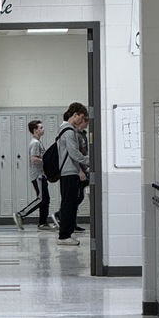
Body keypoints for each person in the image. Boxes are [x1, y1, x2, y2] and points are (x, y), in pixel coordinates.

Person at [56, 101, 90, 247]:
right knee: (69, 205)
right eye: (80, 117)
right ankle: (65, 235)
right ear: (74, 114)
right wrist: (89, 160)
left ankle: (66, 234)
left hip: (68, 172)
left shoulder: (63, 128)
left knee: (68, 203)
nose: (81, 121)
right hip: (69, 172)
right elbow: (74, 153)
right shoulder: (69, 131)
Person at [13, 119, 53, 230]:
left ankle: (42, 223)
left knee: (46, 199)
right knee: (41, 199)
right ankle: (21, 214)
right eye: (41, 128)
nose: (43, 129)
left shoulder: (38, 142)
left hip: (41, 175)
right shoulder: (35, 143)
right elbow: (34, 159)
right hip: (38, 175)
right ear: (35, 130)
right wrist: (46, 162)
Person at [75, 112, 90, 233]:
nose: (88, 124)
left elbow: (84, 152)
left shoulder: (83, 134)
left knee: (79, 196)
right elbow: (75, 155)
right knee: (77, 197)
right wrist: (80, 170)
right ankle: (61, 215)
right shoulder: (76, 135)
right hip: (79, 170)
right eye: (86, 121)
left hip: (85, 167)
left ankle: (70, 221)